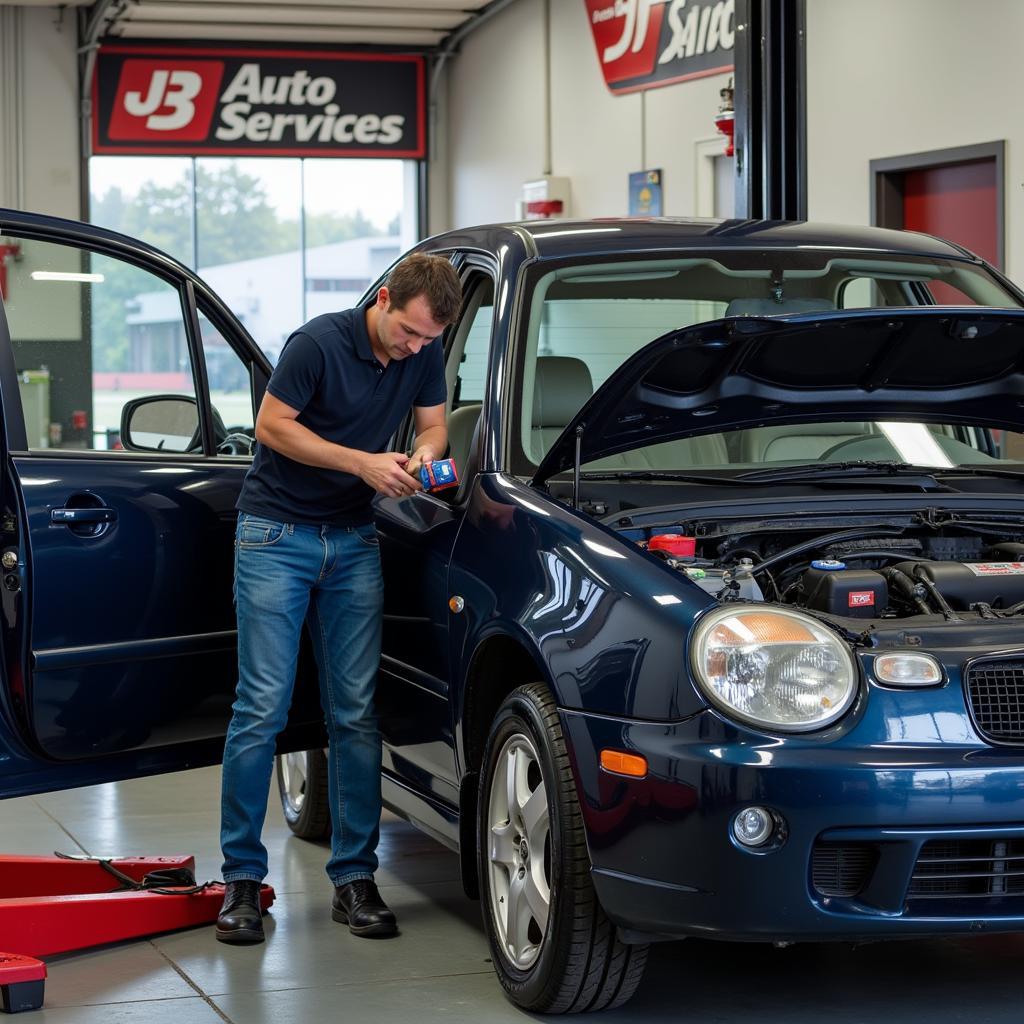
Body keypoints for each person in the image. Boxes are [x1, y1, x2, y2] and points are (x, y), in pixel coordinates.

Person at [215, 254, 463, 945]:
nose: (416, 348)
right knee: (260, 707)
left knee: (353, 712)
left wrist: (421, 453)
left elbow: (436, 427)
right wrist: (361, 462)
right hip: (276, 535)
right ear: (384, 299)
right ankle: (240, 883)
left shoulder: (424, 349)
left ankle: (354, 878)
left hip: (353, 542)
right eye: (409, 333)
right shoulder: (316, 344)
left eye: (427, 340)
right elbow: (272, 427)